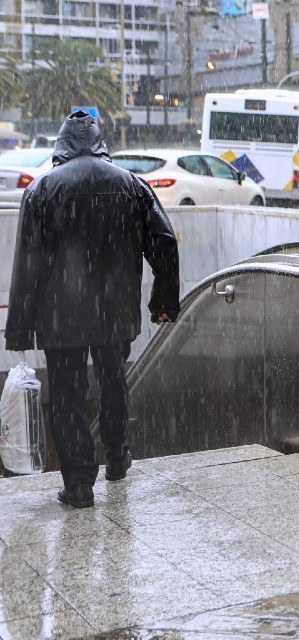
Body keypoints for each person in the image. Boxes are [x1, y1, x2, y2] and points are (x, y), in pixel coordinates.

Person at [4, 111, 179, 509]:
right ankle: (118, 456)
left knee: (67, 395)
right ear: (101, 144)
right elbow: (164, 241)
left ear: (61, 147)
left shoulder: (43, 189)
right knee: (113, 380)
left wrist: (20, 328)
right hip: (114, 311)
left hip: (60, 317)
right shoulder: (132, 185)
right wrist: (164, 301)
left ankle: (80, 483)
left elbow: (27, 265)